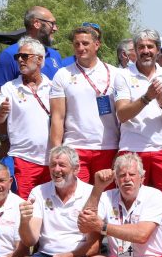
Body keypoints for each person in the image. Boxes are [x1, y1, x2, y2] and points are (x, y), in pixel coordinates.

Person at [114, 29, 162, 192]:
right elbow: (122, 115)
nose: (146, 51)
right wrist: (147, 98)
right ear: (136, 50)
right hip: (132, 149)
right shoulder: (123, 75)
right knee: (131, 198)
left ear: (158, 50)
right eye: (141, 47)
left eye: (150, 47)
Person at [49, 26, 120, 183]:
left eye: (85, 43)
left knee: (106, 200)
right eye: (77, 44)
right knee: (77, 200)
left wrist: (121, 148)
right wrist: (56, 152)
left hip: (107, 147)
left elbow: (122, 115)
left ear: (97, 45)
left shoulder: (115, 74)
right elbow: (57, 117)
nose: (81, 48)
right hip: (74, 148)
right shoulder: (62, 74)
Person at [0, 37, 52, 199]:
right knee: (24, 208)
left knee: (48, 209)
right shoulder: (9, 88)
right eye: (17, 56)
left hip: (51, 162)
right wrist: (1, 112)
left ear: (39, 59)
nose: (19, 60)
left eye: (24, 56)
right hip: (22, 160)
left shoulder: (53, 87)